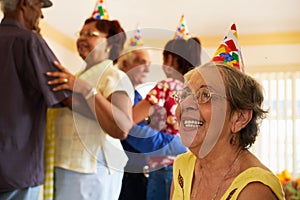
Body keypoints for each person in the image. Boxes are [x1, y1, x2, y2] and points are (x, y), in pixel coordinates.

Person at [46, 17, 133, 200]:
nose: (82, 38)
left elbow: (121, 126)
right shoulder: (77, 76)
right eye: (81, 33)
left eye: (91, 34)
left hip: (92, 168)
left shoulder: (115, 76)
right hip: (65, 163)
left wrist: (84, 88)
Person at [170, 62, 285, 200]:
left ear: (239, 118)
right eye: (185, 95)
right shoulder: (182, 167)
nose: (185, 104)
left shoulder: (255, 190)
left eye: (205, 95)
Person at [0, 0, 72, 199]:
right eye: (39, 7)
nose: (41, 16)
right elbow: (66, 95)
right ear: (24, 4)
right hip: (16, 168)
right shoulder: (29, 41)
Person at [132, 37, 201, 200]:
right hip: (190, 167)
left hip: (164, 168)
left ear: (169, 59)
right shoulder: (195, 89)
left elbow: (131, 118)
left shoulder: (166, 86)